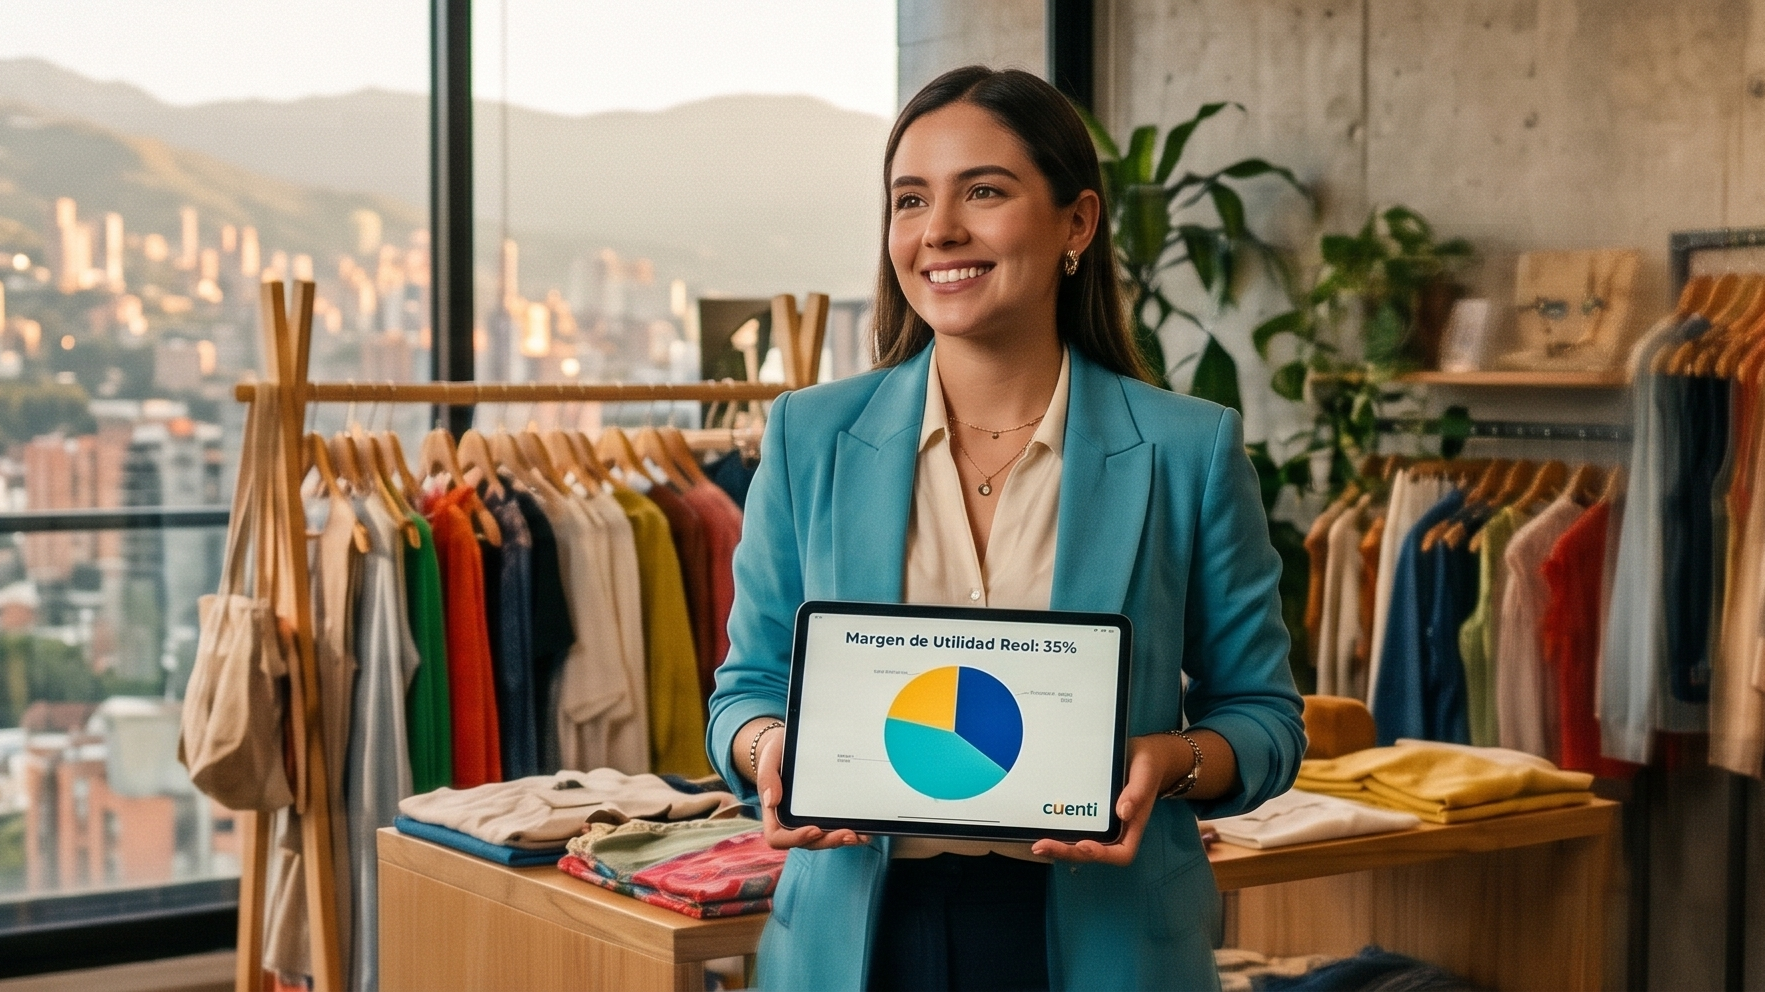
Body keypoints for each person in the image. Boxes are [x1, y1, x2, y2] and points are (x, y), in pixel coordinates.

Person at [706, 65, 1305, 992]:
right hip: (859, 942)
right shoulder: (807, 436)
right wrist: (766, 750)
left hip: (1100, 940)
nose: (938, 230)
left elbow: (1263, 718)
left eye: (982, 191)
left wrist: (1169, 762)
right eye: (911, 200)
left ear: (1077, 223)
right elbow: (743, 692)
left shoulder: (1188, 449)